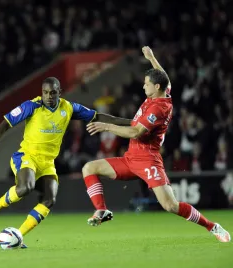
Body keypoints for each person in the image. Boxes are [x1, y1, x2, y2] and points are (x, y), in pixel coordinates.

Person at [82, 47, 231, 243]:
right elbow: (165, 79)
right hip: (131, 158)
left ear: (157, 87)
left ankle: (213, 226)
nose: (144, 87)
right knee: (89, 168)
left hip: (148, 160)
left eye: (147, 84)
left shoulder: (159, 108)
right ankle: (101, 210)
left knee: (171, 206)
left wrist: (107, 126)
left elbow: (136, 131)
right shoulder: (160, 94)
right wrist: (152, 58)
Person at [0, 77, 132, 247]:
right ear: (41, 93)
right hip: (27, 156)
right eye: (45, 92)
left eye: (52, 92)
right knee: (25, 188)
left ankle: (18, 236)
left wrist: (133, 122)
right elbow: (6, 123)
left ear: (59, 92)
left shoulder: (69, 108)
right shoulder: (32, 106)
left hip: (47, 162)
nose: (48, 96)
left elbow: (98, 116)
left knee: (49, 200)